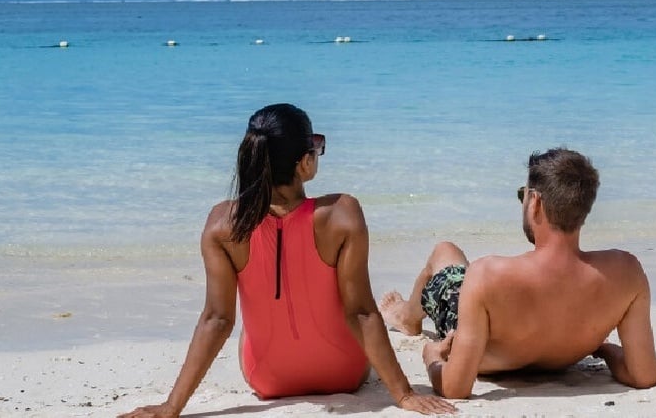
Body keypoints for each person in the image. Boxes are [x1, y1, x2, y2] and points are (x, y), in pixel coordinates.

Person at [122, 104, 455, 418]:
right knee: (353, 307)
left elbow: (217, 320)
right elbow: (361, 312)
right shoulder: (342, 214)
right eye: (316, 146)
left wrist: (171, 406)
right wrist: (404, 394)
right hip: (343, 372)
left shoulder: (221, 224)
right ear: (304, 163)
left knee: (248, 325)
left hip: (266, 378)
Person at [378, 148, 656, 399]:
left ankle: (406, 316)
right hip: (565, 355)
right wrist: (607, 350)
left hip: (489, 352)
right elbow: (644, 376)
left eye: (522, 197)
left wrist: (432, 359)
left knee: (445, 252)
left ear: (536, 203)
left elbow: (455, 388)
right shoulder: (625, 273)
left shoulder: (487, 274)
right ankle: (408, 313)